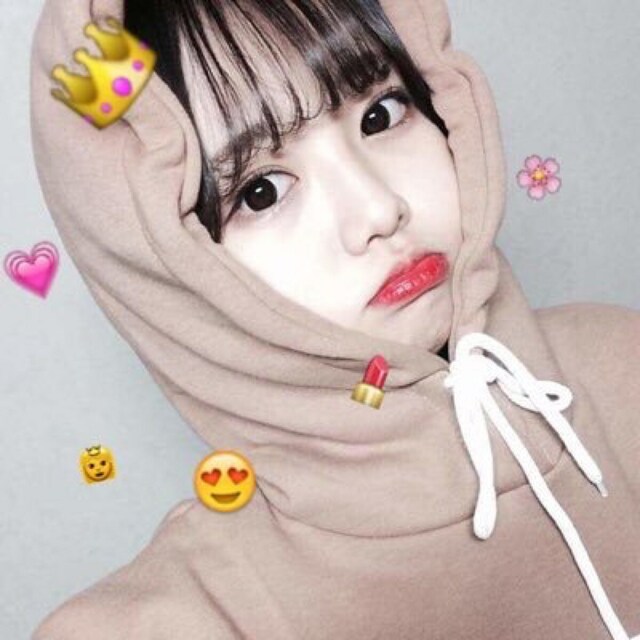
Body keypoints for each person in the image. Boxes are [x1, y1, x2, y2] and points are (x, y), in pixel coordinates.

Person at [30, 0, 640, 638]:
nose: (379, 209)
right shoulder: (168, 625)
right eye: (261, 192)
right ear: (167, 275)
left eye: (382, 114)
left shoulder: (621, 363)